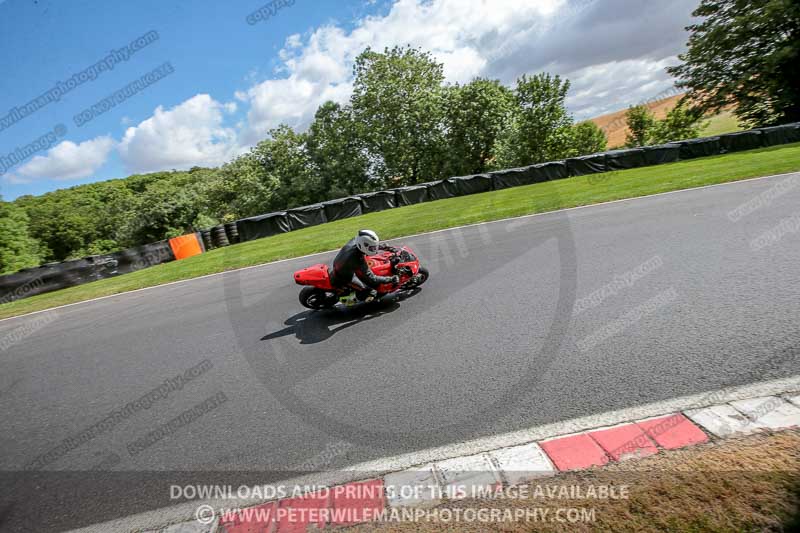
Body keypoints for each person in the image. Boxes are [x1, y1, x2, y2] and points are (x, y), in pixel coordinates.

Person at [330, 229, 399, 302]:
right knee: (371, 292)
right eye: (372, 248)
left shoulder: (355, 241)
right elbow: (372, 278)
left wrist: (382, 247)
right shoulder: (357, 259)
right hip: (344, 277)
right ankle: (348, 300)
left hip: (339, 263)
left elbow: (367, 245)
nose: (374, 249)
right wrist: (390, 279)